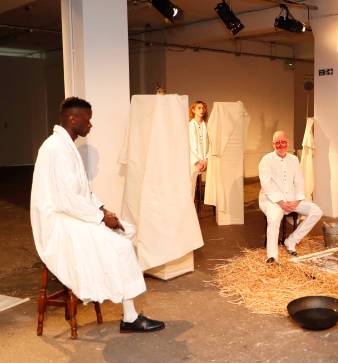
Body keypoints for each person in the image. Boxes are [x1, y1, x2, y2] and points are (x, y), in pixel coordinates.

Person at [30, 97, 165, 333]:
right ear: (73, 118)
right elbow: (67, 199)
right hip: (57, 222)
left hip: (71, 214)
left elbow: (83, 193)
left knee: (125, 230)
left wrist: (103, 210)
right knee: (120, 246)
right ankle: (130, 318)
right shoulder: (55, 148)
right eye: (88, 119)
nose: (90, 125)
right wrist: (101, 218)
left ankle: (130, 312)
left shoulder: (65, 146)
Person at [258, 131, 323, 264]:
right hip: (271, 200)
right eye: (277, 143)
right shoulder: (266, 159)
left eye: (283, 142)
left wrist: (298, 200)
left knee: (316, 211)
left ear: (287, 143)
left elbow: (299, 181)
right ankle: (272, 255)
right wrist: (280, 202)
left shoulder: (293, 159)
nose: (281, 145)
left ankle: (292, 240)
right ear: (273, 144)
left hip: (292, 199)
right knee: (274, 217)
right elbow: (266, 183)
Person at [189, 100, 209, 198]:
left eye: (203, 108)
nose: (202, 110)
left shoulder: (207, 125)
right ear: (193, 110)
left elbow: (211, 144)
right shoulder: (189, 126)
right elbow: (187, 146)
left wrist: (206, 160)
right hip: (193, 162)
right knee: (190, 188)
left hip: (206, 161)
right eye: (199, 108)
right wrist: (197, 162)